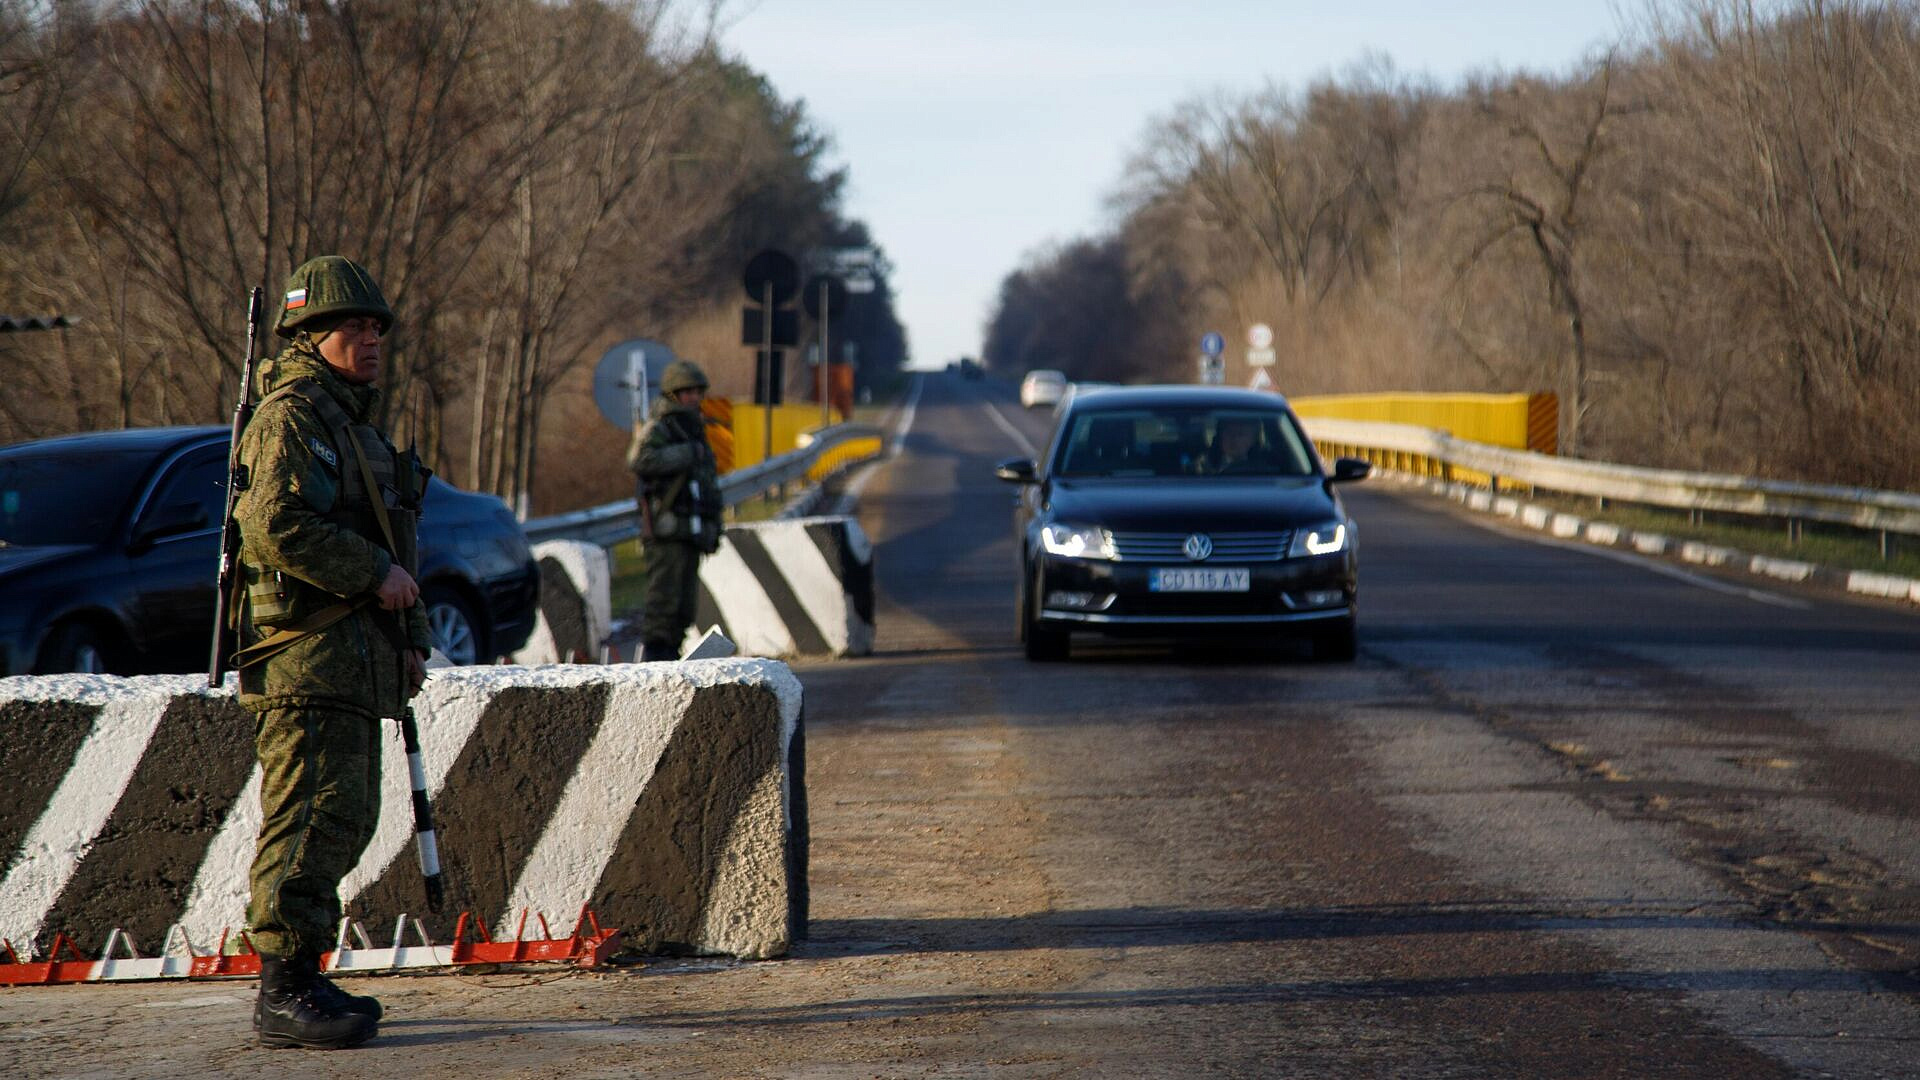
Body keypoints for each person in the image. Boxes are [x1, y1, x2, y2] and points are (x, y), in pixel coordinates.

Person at [231, 255, 432, 1050]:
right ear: (310, 336)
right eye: (354, 324)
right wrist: (370, 574)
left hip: (352, 660)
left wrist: (409, 642)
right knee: (307, 819)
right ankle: (281, 988)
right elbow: (271, 523)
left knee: (343, 819)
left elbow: (397, 543)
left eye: (377, 325)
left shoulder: (350, 422)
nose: (372, 337)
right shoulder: (292, 417)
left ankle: (305, 973)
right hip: (304, 660)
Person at [628, 359, 723, 661]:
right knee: (663, 608)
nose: (694, 397)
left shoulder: (694, 429)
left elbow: (707, 483)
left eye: (697, 391)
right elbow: (639, 459)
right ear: (673, 394)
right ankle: (655, 666)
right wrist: (685, 453)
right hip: (667, 531)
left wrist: (712, 526)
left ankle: (671, 662)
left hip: (690, 531)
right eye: (687, 392)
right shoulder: (662, 426)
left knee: (684, 609)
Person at [1199, 415, 1276, 475]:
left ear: (1253, 439)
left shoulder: (1265, 470)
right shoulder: (1203, 464)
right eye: (1229, 432)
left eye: (1240, 434)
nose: (1233, 438)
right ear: (1220, 436)